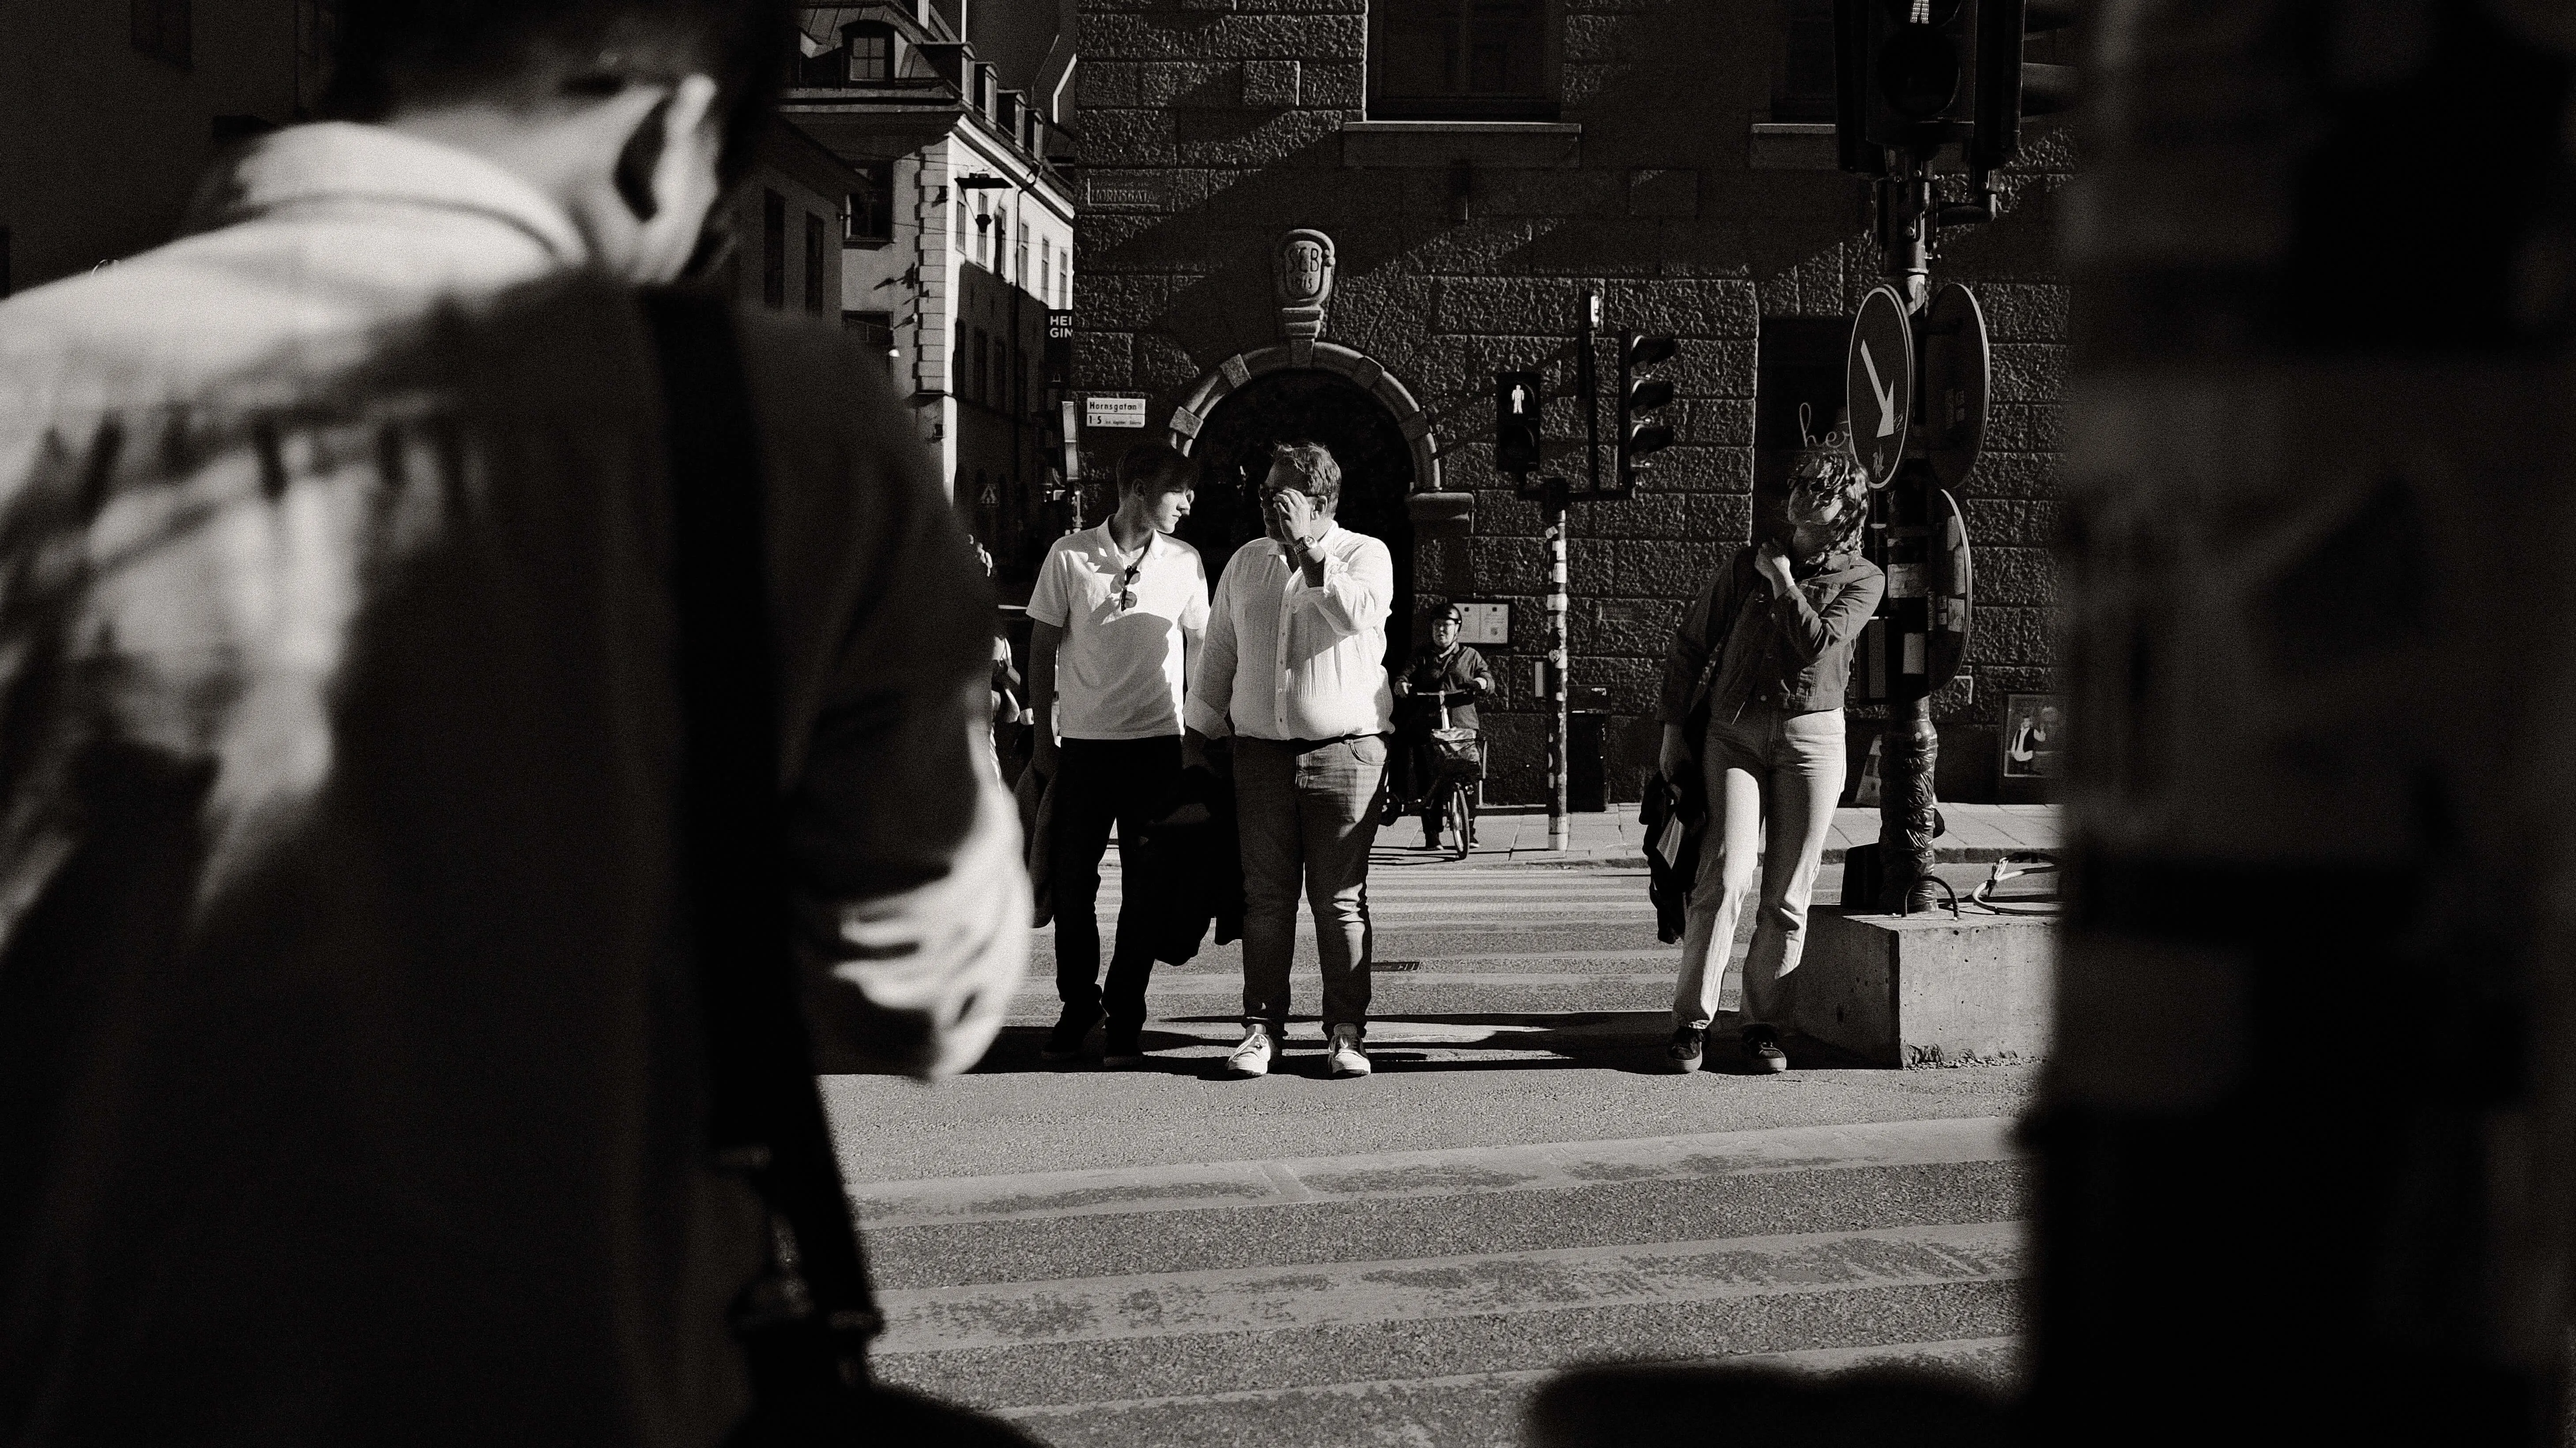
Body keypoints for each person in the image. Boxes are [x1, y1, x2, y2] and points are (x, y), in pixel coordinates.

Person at [0, 2, 1031, 1440]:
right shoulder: (780, 427)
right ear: (666, 139)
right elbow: (918, 981)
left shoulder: (24, 383)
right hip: (596, 1382)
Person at [1654, 456, 1884, 1076]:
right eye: (1800, 484)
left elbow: (1817, 646)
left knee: (1788, 895)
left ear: (1848, 509)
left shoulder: (1865, 578)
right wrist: (1674, 729)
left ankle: (1763, 1026)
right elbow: (1691, 643)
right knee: (1724, 875)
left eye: (1821, 490)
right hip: (1734, 732)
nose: (1803, 496)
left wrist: (1783, 581)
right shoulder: (1743, 564)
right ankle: (1691, 1023)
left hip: (1814, 740)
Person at [1188, 440, 1396, 1080]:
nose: (1265, 505)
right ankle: (1262, 1028)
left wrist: (1310, 552)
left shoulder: (1365, 554)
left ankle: (1345, 1030)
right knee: (1266, 900)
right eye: (1262, 493)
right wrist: (1198, 731)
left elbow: (1354, 616)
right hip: (1260, 755)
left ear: (1320, 501)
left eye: (1280, 495)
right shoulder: (1248, 562)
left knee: (1338, 900)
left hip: (1345, 753)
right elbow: (1220, 648)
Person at [1024, 442, 1209, 1067]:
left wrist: (1201, 739)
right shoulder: (1070, 555)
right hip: (1083, 751)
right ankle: (1081, 1003)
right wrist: (1042, 738)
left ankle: (1126, 1014)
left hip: (1158, 750)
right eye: (1177, 489)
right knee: (1072, 888)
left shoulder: (1185, 561)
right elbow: (1042, 647)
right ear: (1135, 489)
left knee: (1147, 892)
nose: (1189, 502)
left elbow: (1205, 653)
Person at [1392, 602, 1495, 850]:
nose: (1441, 631)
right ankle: (1432, 835)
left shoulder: (1470, 656)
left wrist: (1481, 683)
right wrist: (1402, 685)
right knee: (1428, 780)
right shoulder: (1421, 656)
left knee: (1466, 776)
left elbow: (1489, 680)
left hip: (1461, 726)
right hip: (1428, 728)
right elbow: (1403, 678)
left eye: (1447, 626)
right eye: (1437, 626)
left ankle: (1468, 829)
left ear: (1457, 629)